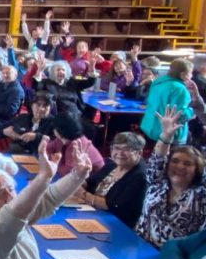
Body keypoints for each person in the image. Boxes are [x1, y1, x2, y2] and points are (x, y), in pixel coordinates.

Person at [136, 106, 206, 248]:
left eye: (187, 164)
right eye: (175, 161)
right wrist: (166, 135)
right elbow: (158, 158)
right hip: (140, 246)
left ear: (197, 169)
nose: (180, 167)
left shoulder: (201, 194)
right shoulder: (157, 183)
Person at [68, 132, 148, 228]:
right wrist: (79, 177)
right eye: (116, 148)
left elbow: (115, 206)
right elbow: (89, 183)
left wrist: (83, 195)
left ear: (139, 153)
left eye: (126, 149)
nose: (119, 153)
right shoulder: (111, 164)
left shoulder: (141, 176)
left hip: (117, 224)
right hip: (92, 213)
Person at [140, 58, 195, 145]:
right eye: (191, 72)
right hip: (168, 133)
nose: (192, 75)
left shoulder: (157, 83)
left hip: (149, 128)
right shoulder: (180, 89)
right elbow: (179, 114)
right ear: (183, 74)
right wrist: (192, 111)